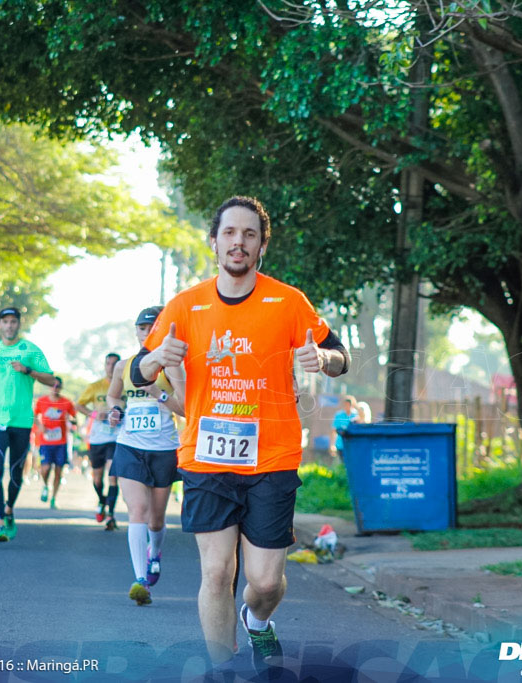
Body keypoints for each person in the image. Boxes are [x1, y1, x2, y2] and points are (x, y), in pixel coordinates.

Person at [136, 196, 349, 674]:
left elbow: (338, 354)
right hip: (207, 456)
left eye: (249, 235)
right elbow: (139, 371)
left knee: (266, 580)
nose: (238, 242)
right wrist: (153, 360)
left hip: (271, 457)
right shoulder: (186, 305)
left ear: (261, 246)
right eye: (230, 233)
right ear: (214, 242)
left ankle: (256, 619)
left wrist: (324, 361)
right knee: (216, 572)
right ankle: (224, 669)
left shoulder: (288, 302)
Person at [107, 306, 185, 606]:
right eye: (142, 328)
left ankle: (155, 552)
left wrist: (157, 392)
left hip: (164, 450)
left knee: (156, 518)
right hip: (130, 447)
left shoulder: (173, 368)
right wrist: (116, 410)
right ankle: (141, 580)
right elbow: (114, 395)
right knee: (136, 511)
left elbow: (187, 409)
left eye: (153, 329)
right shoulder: (123, 367)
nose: (146, 333)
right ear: (136, 332)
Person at [0, 306, 55, 542]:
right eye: (5, 322)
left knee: (15, 472)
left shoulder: (31, 350)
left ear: (18, 324)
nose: (9, 325)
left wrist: (28, 370)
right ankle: (0, 521)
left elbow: (51, 379)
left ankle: (10, 508)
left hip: (22, 420)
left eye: (13, 322)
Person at [76, 353, 121, 523]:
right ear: (104, 366)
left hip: (116, 437)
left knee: (113, 476)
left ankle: (111, 515)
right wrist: (94, 414)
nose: (110, 367)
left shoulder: (125, 385)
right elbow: (79, 405)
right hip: (97, 438)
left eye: (114, 364)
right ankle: (102, 501)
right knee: (97, 477)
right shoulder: (95, 386)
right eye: (108, 363)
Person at [34, 377, 76, 509]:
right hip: (46, 441)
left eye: (58, 386)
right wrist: (39, 425)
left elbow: (74, 417)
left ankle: (54, 498)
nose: (55, 389)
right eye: (53, 386)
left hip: (61, 442)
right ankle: (46, 486)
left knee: (59, 471)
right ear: (49, 387)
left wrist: (71, 420)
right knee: (45, 468)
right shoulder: (42, 401)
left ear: (61, 388)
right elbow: (34, 415)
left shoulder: (66, 402)